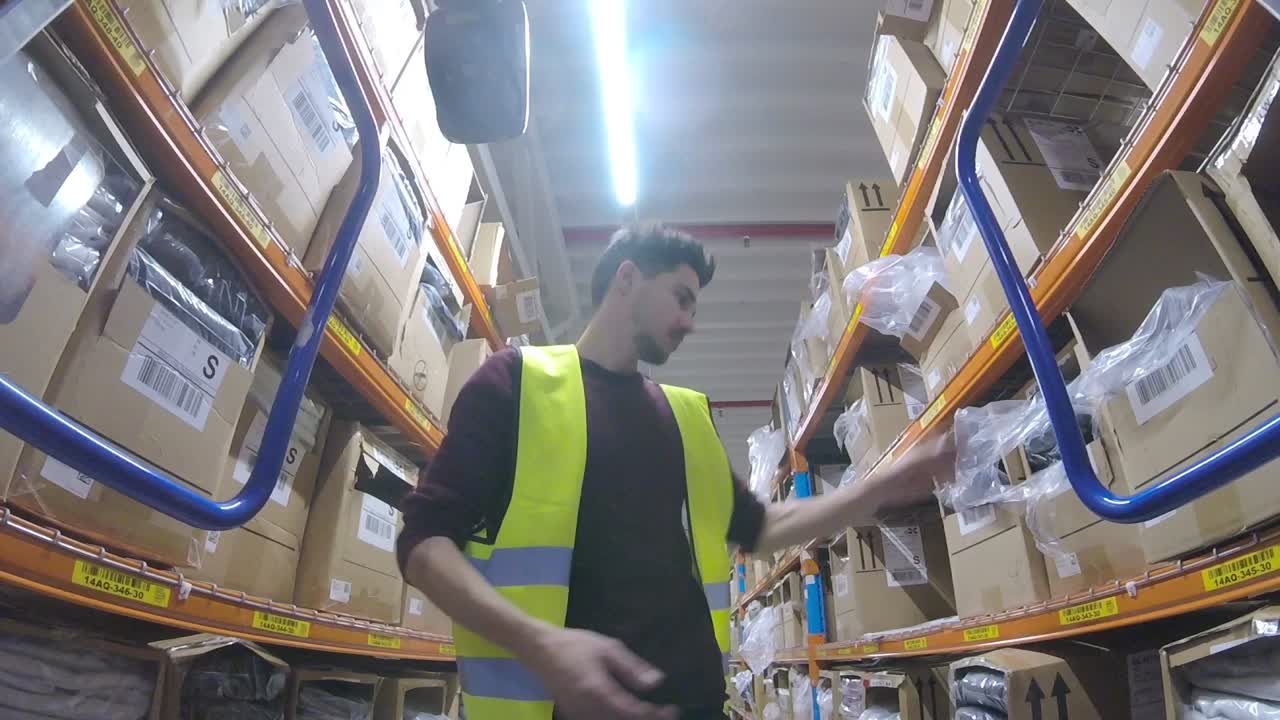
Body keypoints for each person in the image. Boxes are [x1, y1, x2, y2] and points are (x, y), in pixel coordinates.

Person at [397, 224, 954, 720]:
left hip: (693, 702)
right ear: (628, 278)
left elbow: (760, 527)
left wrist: (882, 486)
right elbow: (423, 543)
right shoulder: (515, 384)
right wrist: (540, 643)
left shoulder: (686, 414)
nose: (690, 322)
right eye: (681, 298)